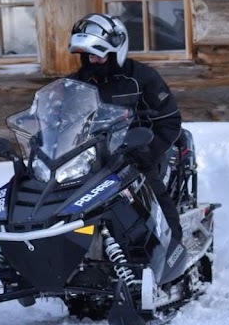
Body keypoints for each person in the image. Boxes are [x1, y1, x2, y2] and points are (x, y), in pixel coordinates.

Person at [66, 12, 183, 244]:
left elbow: (169, 120)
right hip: (92, 162)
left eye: (99, 56)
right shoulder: (76, 84)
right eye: (88, 56)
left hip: (136, 158)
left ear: (115, 52)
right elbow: (60, 122)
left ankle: (173, 248)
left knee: (154, 195)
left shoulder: (142, 78)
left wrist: (148, 152)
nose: (92, 62)